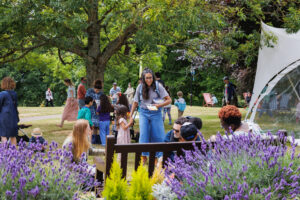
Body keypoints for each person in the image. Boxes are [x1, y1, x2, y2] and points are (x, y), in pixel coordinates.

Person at [130, 68, 172, 163]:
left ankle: (158, 157)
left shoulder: (158, 86)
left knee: (158, 135)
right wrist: (130, 115)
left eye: (150, 77)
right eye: (147, 78)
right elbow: (135, 102)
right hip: (144, 112)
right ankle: (144, 156)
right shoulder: (140, 87)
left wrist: (158, 105)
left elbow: (169, 100)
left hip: (156, 113)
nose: (149, 80)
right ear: (143, 79)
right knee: (144, 134)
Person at [0, 77, 19, 146]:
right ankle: (14, 153)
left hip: (4, 117)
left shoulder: (2, 94)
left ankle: (5, 153)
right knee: (13, 136)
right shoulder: (14, 94)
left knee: (3, 135)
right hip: (13, 116)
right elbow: (15, 106)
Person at [85, 80, 103, 144]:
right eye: (96, 89)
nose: (97, 91)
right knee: (91, 124)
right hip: (90, 110)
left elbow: (103, 100)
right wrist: (93, 100)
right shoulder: (89, 91)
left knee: (96, 125)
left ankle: (96, 138)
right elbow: (86, 99)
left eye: (98, 90)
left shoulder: (101, 93)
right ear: (94, 87)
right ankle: (91, 138)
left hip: (97, 111)